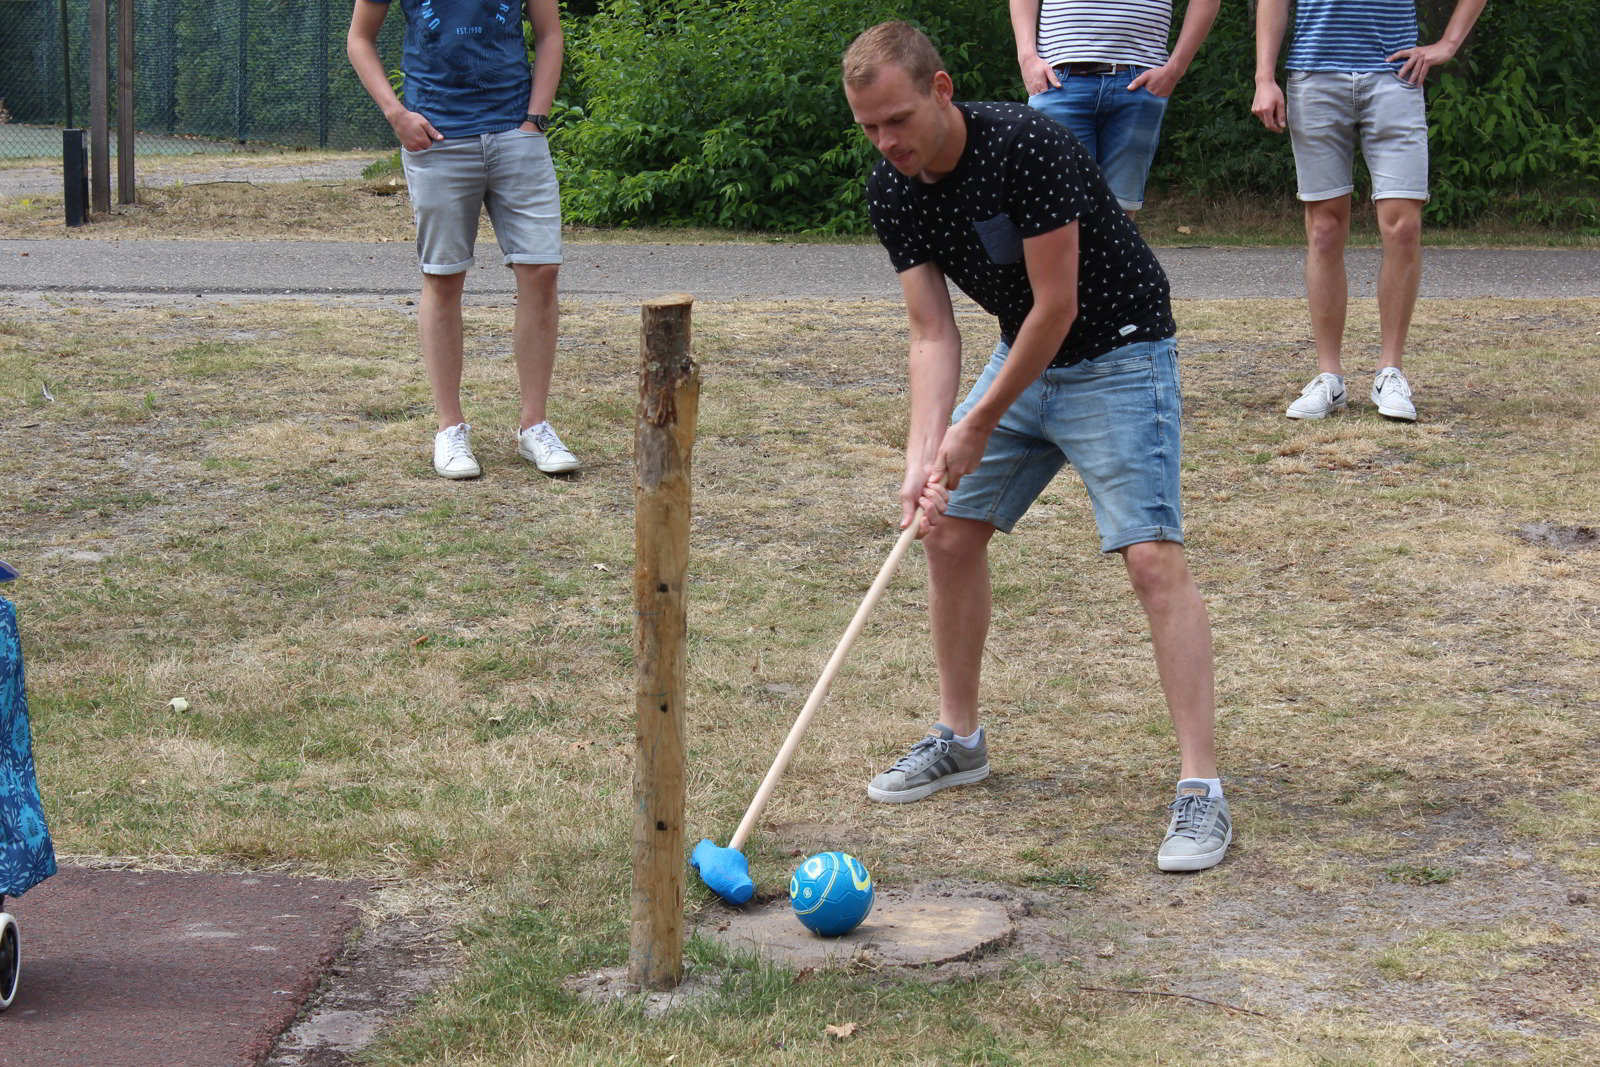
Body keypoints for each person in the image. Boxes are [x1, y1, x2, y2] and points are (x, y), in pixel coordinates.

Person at [841, 22, 1229, 871]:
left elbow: (1056, 304)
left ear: (941, 89)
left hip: (1118, 350)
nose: (888, 142)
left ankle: (1202, 788)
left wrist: (975, 424)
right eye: (870, 128)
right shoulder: (893, 189)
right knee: (943, 530)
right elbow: (931, 334)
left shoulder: (1028, 144)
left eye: (898, 119)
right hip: (1025, 357)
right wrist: (922, 454)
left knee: (1151, 558)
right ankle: (960, 738)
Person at [348, 0, 579, 479]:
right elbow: (359, 38)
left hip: (518, 136)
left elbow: (549, 34)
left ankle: (534, 426)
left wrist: (535, 120)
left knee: (541, 270)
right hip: (437, 138)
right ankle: (450, 430)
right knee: (444, 276)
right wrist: (396, 113)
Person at [1253, 0, 1488, 422]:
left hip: (1394, 77)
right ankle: (1329, 377)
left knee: (1404, 227)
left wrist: (1449, 43)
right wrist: (1264, 77)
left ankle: (1390, 372)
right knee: (1324, 228)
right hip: (1314, 77)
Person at [1009, 0, 1220, 216]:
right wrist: (1026, 57)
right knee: (1057, 211)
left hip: (1140, 82)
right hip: (1058, 80)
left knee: (1119, 218)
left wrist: (1175, 70)